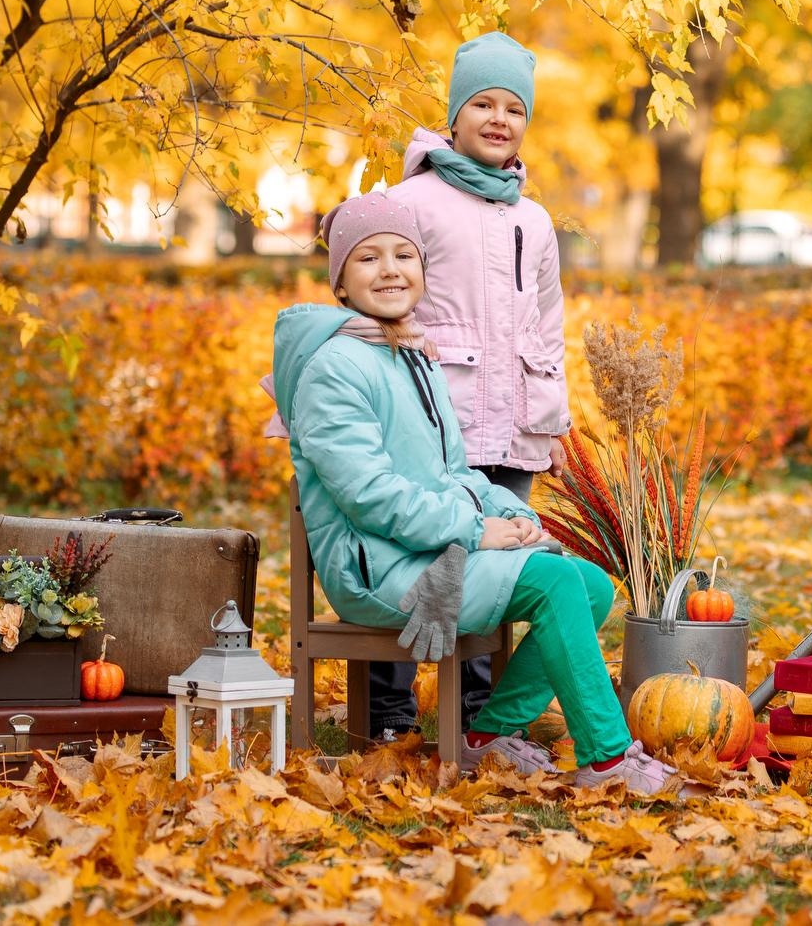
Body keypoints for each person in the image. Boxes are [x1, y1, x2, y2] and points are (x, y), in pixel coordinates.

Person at [273, 191, 679, 794]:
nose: (390, 270)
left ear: (422, 270)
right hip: (378, 569)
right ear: (339, 282)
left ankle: (488, 739)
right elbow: (371, 497)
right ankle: (608, 757)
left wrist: (514, 518)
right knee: (555, 584)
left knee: (590, 584)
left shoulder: (410, 355)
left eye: (403, 255)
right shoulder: (334, 368)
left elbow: (457, 473)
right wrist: (472, 531)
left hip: (427, 547)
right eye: (368, 258)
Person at [363, 32, 572, 743]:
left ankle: (474, 713)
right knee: (421, 559)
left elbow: (547, 324)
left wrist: (555, 422)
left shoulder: (533, 219)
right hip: (432, 419)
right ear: (454, 114)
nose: (498, 118)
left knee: (498, 563)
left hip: (512, 423)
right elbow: (374, 291)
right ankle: (386, 709)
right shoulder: (411, 201)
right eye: (482, 102)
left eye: (514, 107)